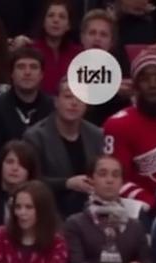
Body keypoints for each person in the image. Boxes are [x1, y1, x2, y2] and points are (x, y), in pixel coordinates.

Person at [64, 154, 155, 263]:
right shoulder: (75, 223)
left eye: (115, 175)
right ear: (91, 180)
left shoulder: (135, 225)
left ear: (121, 182)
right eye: (103, 174)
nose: (109, 180)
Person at [23, 78, 103, 219]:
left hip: (92, 212)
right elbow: (30, 181)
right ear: (56, 101)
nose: (73, 103)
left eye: (80, 98)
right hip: (49, 212)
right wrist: (67, 183)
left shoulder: (97, 135)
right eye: (68, 97)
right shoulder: (35, 137)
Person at [0, 47, 53, 176]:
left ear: (41, 75)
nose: (27, 72)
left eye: (33, 67)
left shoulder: (52, 109)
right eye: (21, 67)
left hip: (44, 182)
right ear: (11, 73)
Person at [103, 49, 156, 217]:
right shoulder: (119, 124)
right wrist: (151, 202)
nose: (153, 85)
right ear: (135, 86)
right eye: (145, 79)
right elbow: (113, 179)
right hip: (144, 211)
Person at [79, 8, 129, 127]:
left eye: (103, 34)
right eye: (92, 33)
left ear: (111, 42)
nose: (97, 38)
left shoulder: (121, 69)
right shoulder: (73, 66)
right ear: (82, 38)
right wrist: (111, 88)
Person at [31, 1, 82, 97]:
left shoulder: (78, 54)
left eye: (62, 17)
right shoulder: (31, 50)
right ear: (43, 22)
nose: (56, 20)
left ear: (68, 25)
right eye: (51, 16)